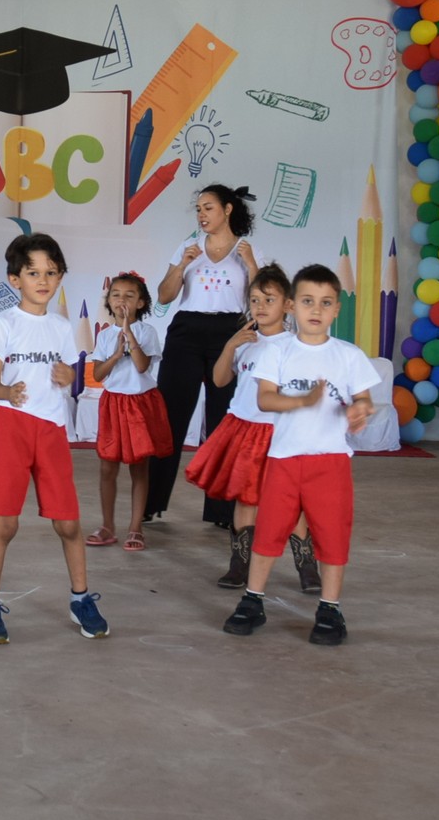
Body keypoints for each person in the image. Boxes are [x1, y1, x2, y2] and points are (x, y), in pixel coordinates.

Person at [222, 264, 377, 647]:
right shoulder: (277, 351)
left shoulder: (349, 355)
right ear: (292, 305)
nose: (316, 309)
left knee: (332, 534)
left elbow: (363, 398)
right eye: (308, 301)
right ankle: (252, 600)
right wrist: (303, 401)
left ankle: (330, 608)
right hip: (284, 460)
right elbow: (265, 398)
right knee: (269, 531)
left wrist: (360, 410)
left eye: (325, 302)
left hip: (331, 462)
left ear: (337, 308)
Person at [0, 233, 107, 644]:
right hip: (11, 427)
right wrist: (7, 392)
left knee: (68, 523)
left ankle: (81, 599)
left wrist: (71, 375)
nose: (43, 280)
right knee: (6, 523)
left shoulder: (62, 327)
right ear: (15, 279)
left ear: (60, 276)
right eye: (33, 273)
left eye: (51, 272)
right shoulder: (3, 323)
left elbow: (70, 378)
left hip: (51, 430)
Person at [185, 264, 320, 592]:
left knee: (290, 501)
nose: (260, 306)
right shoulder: (245, 342)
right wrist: (230, 346)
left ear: (288, 305)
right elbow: (219, 380)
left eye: (269, 300)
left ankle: (307, 565)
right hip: (245, 429)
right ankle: (239, 564)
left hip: (280, 431)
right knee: (246, 499)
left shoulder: (296, 345)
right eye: (255, 300)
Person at [147, 184, 260, 528]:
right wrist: (182, 265)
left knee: (223, 420)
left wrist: (251, 263)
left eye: (208, 207)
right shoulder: (188, 247)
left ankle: (221, 511)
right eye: (198, 209)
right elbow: (164, 296)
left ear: (228, 209)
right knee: (170, 416)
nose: (201, 215)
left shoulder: (247, 250)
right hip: (186, 330)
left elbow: (259, 298)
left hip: (228, 332)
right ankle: (151, 502)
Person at [83, 272, 172, 552]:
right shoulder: (104, 335)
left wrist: (129, 334)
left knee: (139, 468)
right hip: (113, 404)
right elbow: (98, 374)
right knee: (107, 467)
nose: (122, 300)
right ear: (109, 301)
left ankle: (136, 527)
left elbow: (142, 366)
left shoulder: (147, 332)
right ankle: (107, 526)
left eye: (129, 296)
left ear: (141, 303)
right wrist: (114, 354)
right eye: (116, 295)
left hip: (140, 404)